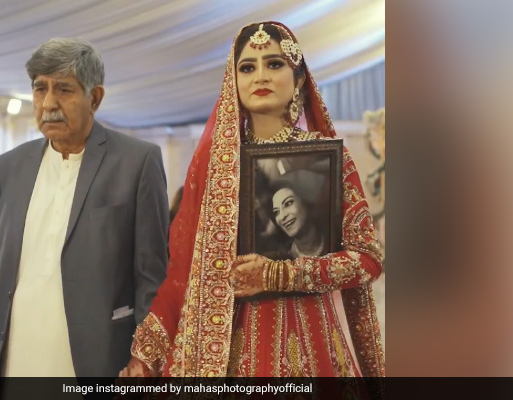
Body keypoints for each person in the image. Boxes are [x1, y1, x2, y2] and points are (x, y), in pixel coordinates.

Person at [120, 22, 384, 378]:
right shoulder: (216, 167)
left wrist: (279, 274)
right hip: (230, 346)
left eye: (274, 64)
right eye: (247, 67)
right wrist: (146, 354)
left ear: (299, 79)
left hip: (313, 339)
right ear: (233, 81)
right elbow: (184, 272)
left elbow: (367, 260)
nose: (260, 76)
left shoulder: (328, 160)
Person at [0, 38, 169, 377]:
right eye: (40, 89)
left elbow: (152, 277)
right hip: (13, 358)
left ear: (95, 98)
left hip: (98, 361)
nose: (49, 103)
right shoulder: (7, 167)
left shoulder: (136, 162)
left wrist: (146, 357)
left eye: (64, 89)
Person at [269, 179, 326, 259]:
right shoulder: (281, 259)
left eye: (288, 203)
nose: (282, 216)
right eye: (276, 212)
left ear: (306, 202)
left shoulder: (337, 241)